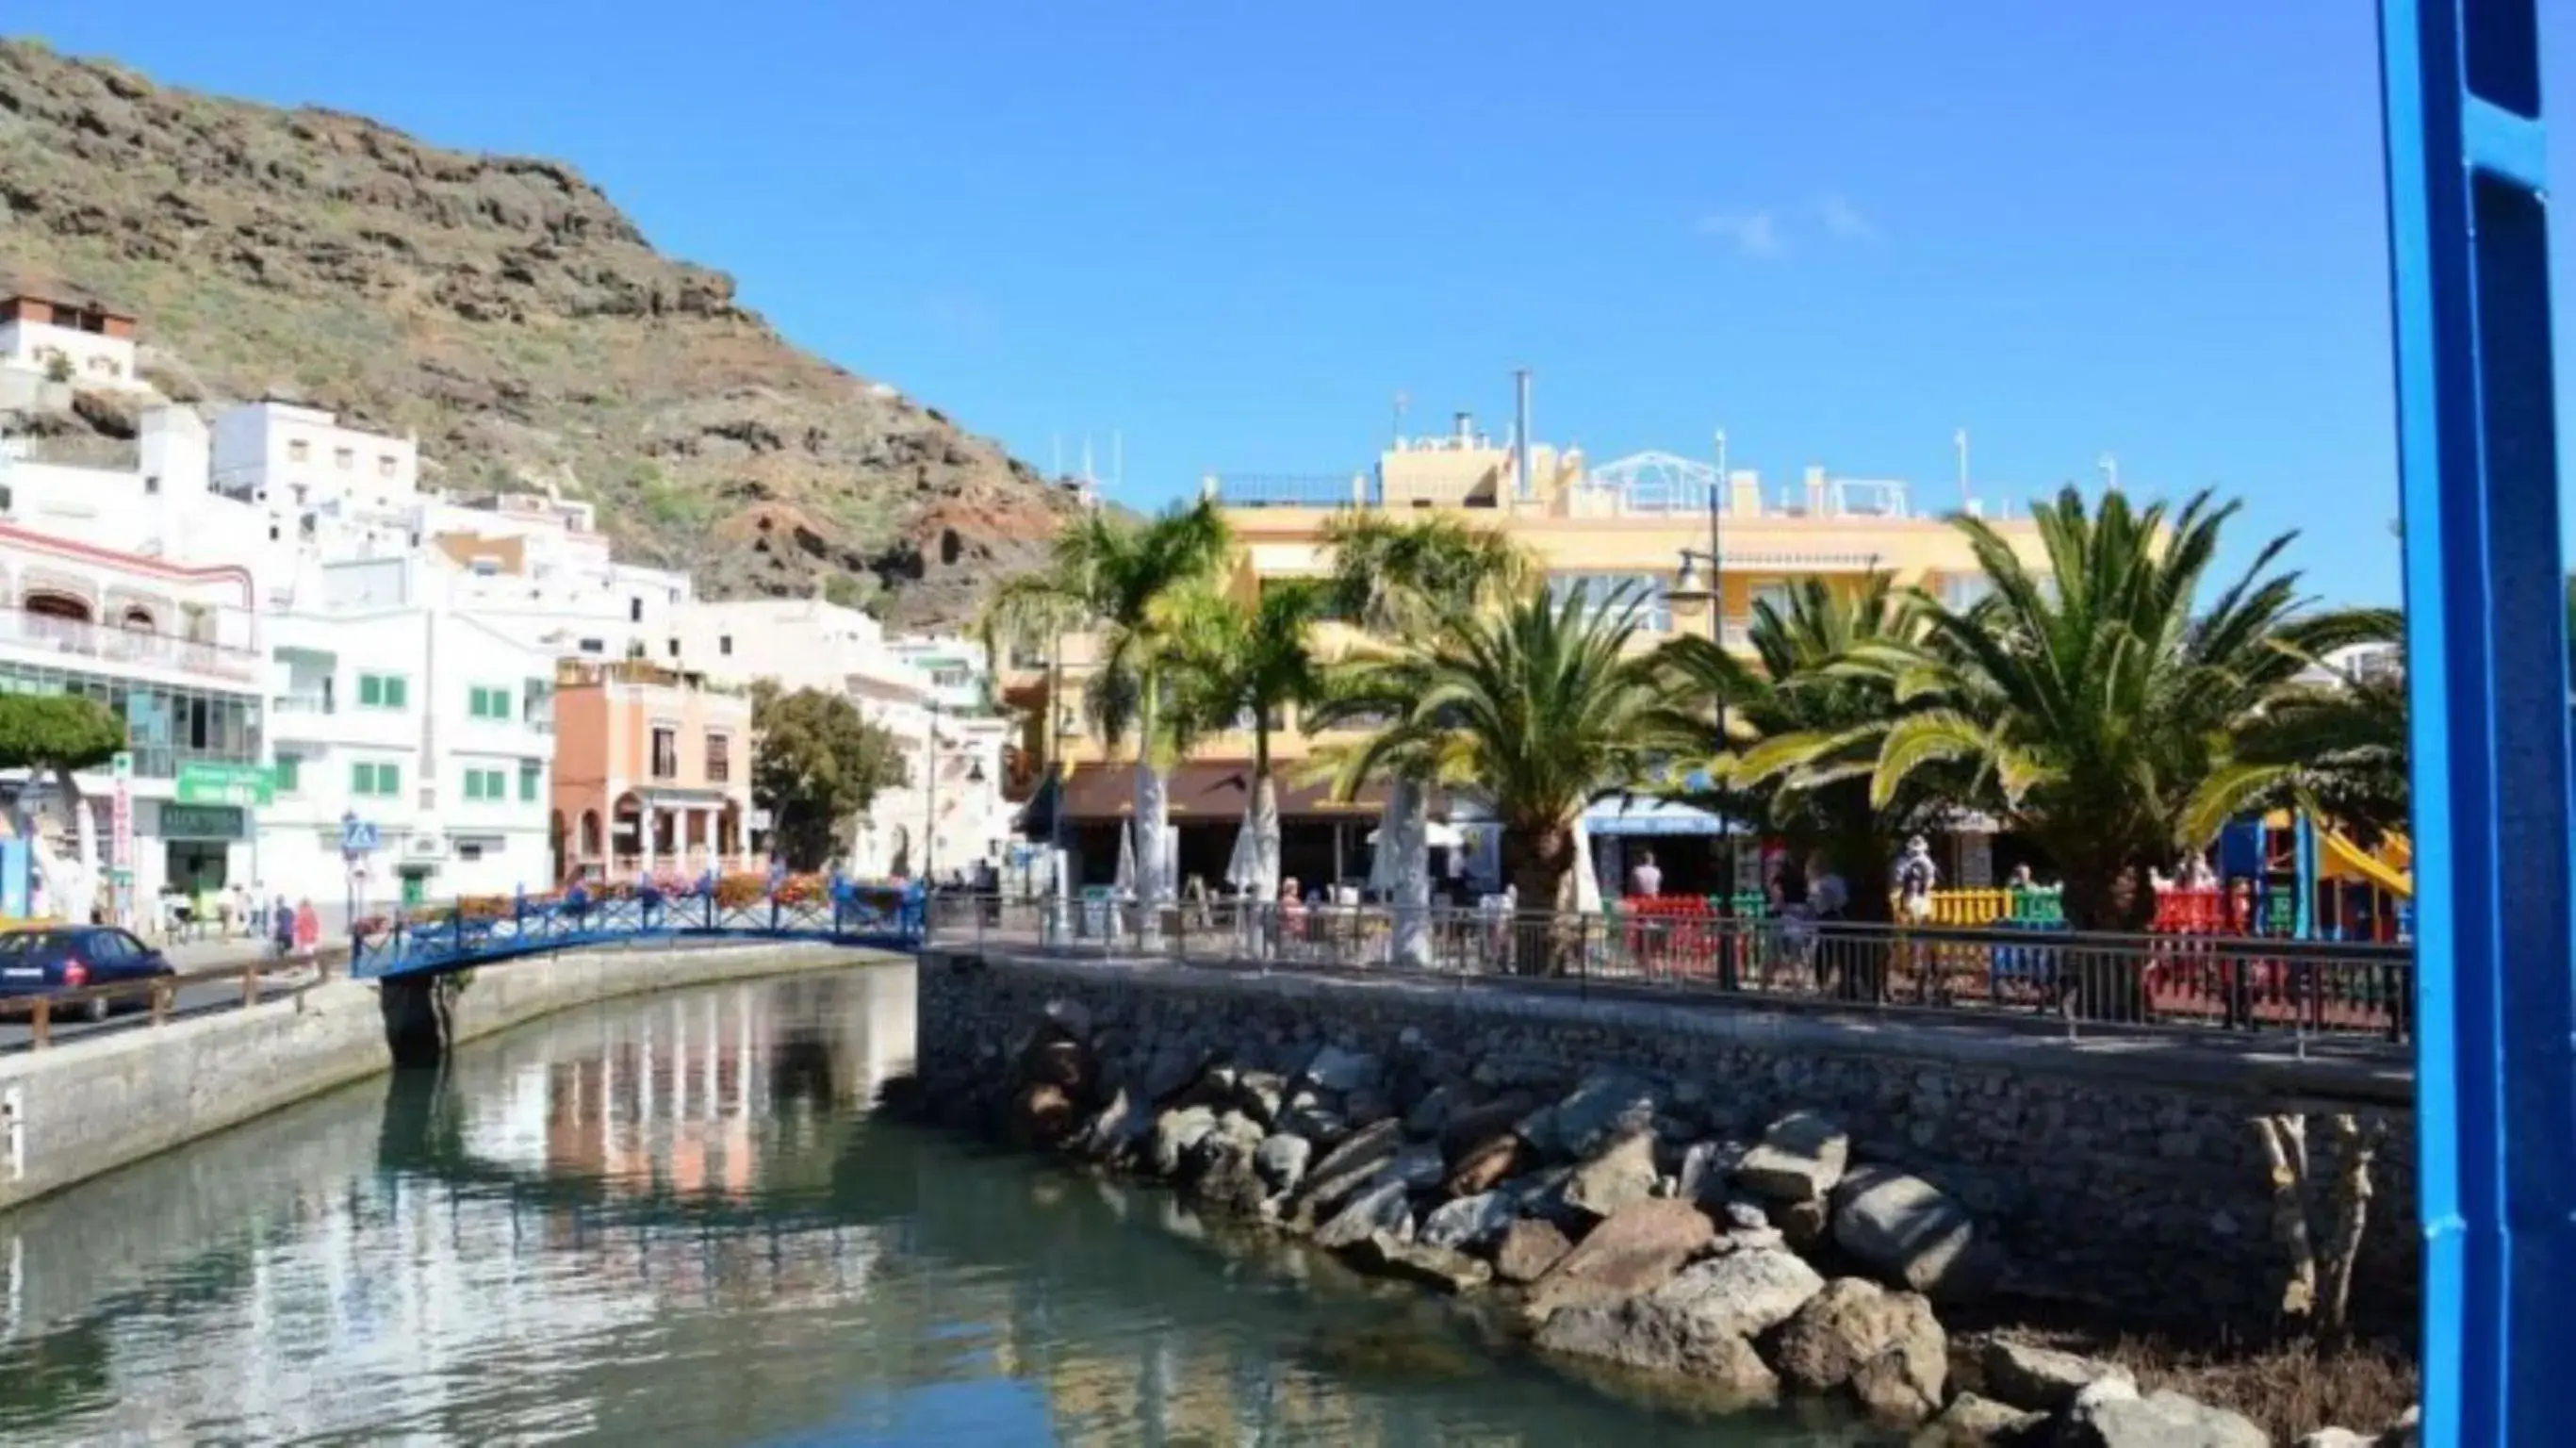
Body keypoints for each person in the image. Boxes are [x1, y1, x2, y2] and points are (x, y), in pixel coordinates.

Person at [1894, 836, 1939, 924]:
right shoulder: (1903, 861)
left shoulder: (1926, 862)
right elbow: (1898, 878)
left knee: (1921, 917)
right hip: (1907, 896)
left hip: (1920, 896)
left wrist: (1924, 887)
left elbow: (1930, 879)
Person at [292, 897, 320, 970]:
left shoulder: (300, 913)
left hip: (304, 938)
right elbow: (316, 925)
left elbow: (296, 926)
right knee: (309, 955)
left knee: (305, 955)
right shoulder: (312, 913)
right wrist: (316, 935)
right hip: (311, 937)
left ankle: (307, 968)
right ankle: (311, 968)